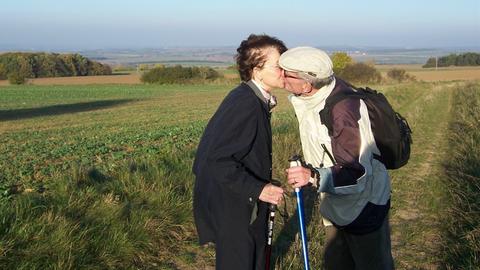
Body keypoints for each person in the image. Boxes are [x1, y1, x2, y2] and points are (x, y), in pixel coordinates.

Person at [280, 47, 394, 270]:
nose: (281, 77)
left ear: (306, 83)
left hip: (363, 206)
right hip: (337, 203)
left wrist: (312, 176)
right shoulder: (318, 94)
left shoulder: (343, 112)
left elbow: (356, 172)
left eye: (287, 74)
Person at [192, 34, 287, 270]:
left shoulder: (250, 98)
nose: (284, 71)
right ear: (256, 70)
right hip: (235, 209)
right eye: (278, 66)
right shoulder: (246, 104)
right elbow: (217, 160)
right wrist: (259, 188)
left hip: (241, 204)